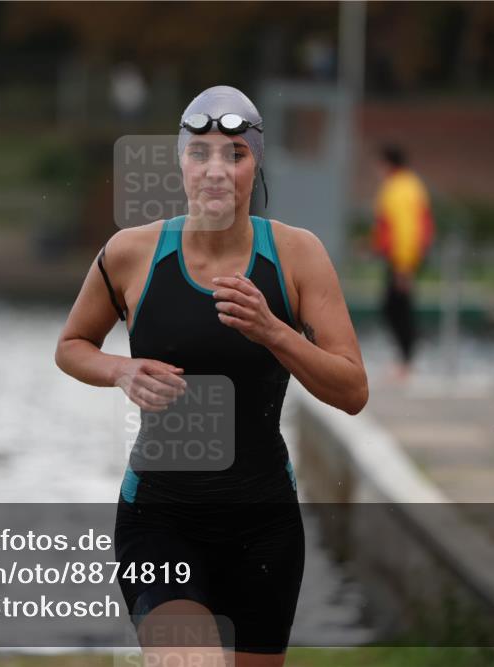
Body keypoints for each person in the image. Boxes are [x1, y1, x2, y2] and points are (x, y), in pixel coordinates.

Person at [55, 85, 367, 665]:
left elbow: (352, 390)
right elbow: (72, 346)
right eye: (200, 153)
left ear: (257, 164)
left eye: (235, 155)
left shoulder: (298, 257)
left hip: (263, 524)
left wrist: (274, 331)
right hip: (160, 517)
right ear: (180, 163)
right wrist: (120, 370)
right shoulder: (131, 253)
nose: (216, 171)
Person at [370, 144, 436, 382]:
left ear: (388, 163)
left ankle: (406, 361)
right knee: (397, 307)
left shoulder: (399, 189)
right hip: (401, 259)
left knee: (396, 308)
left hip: (402, 261)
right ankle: (405, 360)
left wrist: (404, 267)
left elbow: (406, 231)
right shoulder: (408, 186)